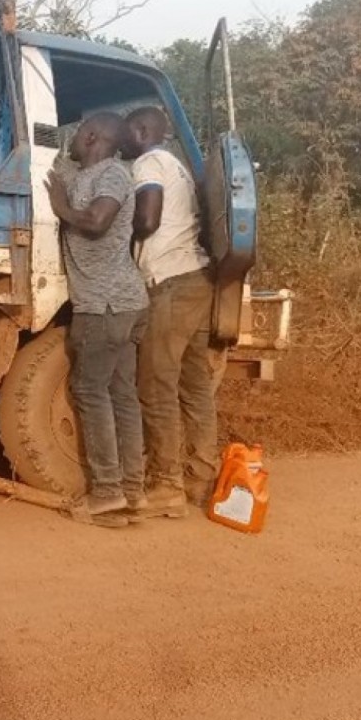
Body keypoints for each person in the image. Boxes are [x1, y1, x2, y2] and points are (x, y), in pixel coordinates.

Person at [44, 112, 149, 528]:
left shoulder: (114, 175)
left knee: (93, 393)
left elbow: (96, 220)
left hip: (106, 305)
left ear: (90, 137)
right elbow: (58, 171)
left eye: (75, 132)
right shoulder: (83, 174)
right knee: (121, 394)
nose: (69, 139)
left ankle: (107, 493)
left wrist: (60, 207)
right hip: (120, 302)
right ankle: (132, 492)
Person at [121, 105, 221, 518]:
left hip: (170, 283)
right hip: (199, 280)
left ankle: (166, 485)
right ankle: (202, 478)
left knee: (155, 385)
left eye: (127, 132)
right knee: (195, 386)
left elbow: (147, 219)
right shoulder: (176, 165)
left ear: (142, 130)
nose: (123, 140)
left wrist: (113, 223)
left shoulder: (147, 162)